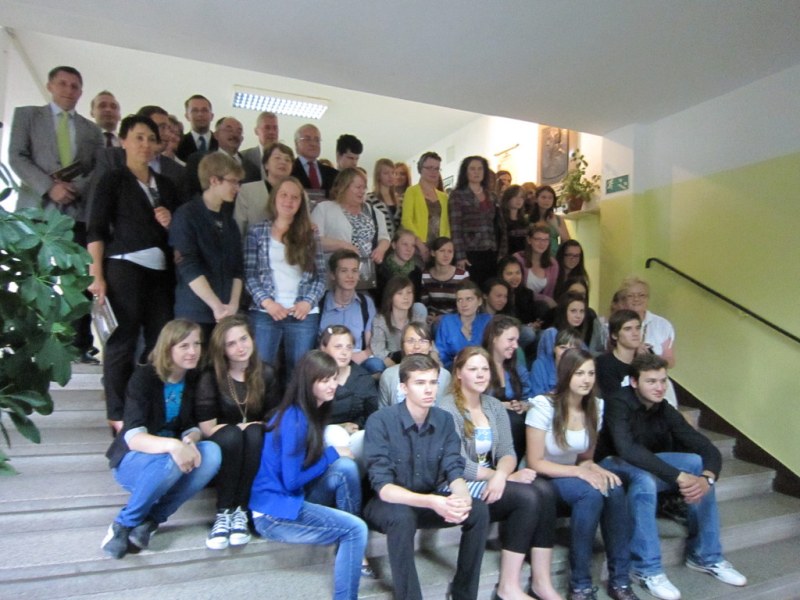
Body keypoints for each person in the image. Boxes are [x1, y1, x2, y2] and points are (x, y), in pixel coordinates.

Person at [597, 353, 746, 600]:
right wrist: (678, 476)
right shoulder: (618, 402)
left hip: (646, 463)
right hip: (610, 465)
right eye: (651, 381)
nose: (659, 387)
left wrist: (707, 478)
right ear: (634, 382)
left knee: (696, 463)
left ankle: (705, 556)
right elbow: (626, 449)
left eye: (663, 381)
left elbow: (705, 447)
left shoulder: (664, 408)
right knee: (644, 481)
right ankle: (646, 569)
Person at [363, 354, 490, 600]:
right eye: (420, 383)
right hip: (388, 503)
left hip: (429, 498)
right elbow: (384, 488)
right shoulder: (381, 421)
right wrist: (432, 501)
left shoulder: (444, 420)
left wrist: (461, 498)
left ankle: (465, 594)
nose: (429, 389)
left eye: (433, 382)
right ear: (403, 388)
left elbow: (453, 467)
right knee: (402, 516)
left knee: (478, 510)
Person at [440, 346, 561, 600]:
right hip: (456, 482)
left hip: (492, 478)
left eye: (485, 369)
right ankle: (508, 587)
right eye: (473, 369)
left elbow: (508, 451)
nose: (481, 374)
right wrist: (498, 476)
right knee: (526, 497)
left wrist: (501, 474)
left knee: (545, 490)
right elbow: (456, 463)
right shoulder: (447, 408)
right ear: (459, 373)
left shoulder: (494, 405)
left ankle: (541, 581)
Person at [250, 350, 368, 600]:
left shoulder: (310, 411)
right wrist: (331, 454)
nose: (332, 385)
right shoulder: (294, 419)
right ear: (308, 382)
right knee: (356, 529)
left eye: (334, 378)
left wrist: (332, 456)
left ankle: (349, 550)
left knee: (346, 469)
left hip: (293, 498)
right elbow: (291, 481)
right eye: (324, 380)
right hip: (274, 513)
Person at [87, 114, 178, 431]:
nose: (145, 144)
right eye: (138, 137)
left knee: (159, 344)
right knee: (121, 342)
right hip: (124, 268)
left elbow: (180, 235)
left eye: (151, 139)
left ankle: (147, 410)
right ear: (123, 141)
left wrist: (171, 222)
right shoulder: (113, 179)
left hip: (161, 274)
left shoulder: (166, 185)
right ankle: (117, 415)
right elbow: (96, 229)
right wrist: (97, 274)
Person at [101, 320, 222, 559]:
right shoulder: (144, 377)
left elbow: (191, 425)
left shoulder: (193, 378)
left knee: (212, 452)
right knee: (171, 459)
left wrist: (190, 440)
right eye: (184, 345)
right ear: (168, 348)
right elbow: (133, 436)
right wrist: (173, 445)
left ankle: (151, 521)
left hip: (171, 463)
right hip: (134, 461)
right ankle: (124, 523)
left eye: (197, 344)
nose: (193, 351)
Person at [9, 65, 104, 364]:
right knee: (32, 276)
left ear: (81, 92)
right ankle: (24, 342)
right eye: (62, 84)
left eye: (75, 86)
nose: (68, 90)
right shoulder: (28, 116)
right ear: (50, 86)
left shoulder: (91, 130)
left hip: (75, 211)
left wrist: (74, 188)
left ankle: (78, 344)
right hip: (36, 211)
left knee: (78, 280)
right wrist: (49, 187)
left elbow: (97, 168)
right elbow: (16, 156)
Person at [526, 349, 639, 600]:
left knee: (614, 487)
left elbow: (585, 458)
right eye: (579, 373)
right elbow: (535, 462)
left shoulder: (595, 406)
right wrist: (579, 471)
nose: (586, 379)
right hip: (543, 477)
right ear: (566, 374)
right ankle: (580, 585)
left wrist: (595, 468)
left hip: (572, 473)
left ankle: (620, 580)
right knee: (590, 495)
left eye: (590, 373)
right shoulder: (543, 406)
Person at [196, 316, 278, 549]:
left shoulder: (266, 373)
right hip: (224, 447)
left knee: (254, 433)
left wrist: (250, 427)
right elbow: (207, 428)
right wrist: (240, 428)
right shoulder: (211, 377)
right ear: (222, 349)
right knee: (234, 435)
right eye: (231, 344)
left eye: (243, 339)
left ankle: (241, 509)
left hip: (253, 446)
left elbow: (273, 417)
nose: (240, 347)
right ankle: (224, 512)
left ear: (252, 339)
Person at [245, 176, 326, 379]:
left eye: (295, 197)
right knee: (261, 373)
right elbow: (250, 274)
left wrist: (307, 303)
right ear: (274, 198)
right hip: (265, 312)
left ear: (301, 203)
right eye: (284, 195)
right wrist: (268, 303)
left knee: (299, 375)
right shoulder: (256, 231)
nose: (288, 201)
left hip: (303, 314)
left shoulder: (309, 233)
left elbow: (320, 276)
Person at [170, 152, 244, 341]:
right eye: (233, 181)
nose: (237, 188)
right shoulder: (186, 215)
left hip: (226, 313)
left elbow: (238, 268)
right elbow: (188, 266)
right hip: (195, 312)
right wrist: (216, 306)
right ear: (214, 180)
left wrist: (233, 305)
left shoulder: (229, 221)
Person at [312, 167, 390, 291]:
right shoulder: (324, 209)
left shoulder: (374, 212)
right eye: (358, 187)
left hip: (365, 277)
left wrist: (381, 249)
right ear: (344, 187)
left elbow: (384, 237)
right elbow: (313, 241)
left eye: (364, 187)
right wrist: (343, 245)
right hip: (333, 279)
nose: (362, 191)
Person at [318, 249, 384, 374]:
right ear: (333, 275)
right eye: (344, 271)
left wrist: (359, 356)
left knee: (376, 364)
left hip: (358, 359)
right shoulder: (320, 303)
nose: (350, 276)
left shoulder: (366, 303)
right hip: (327, 361)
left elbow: (372, 342)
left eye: (354, 271)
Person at [319, 325, 379, 460]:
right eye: (338, 347)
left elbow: (373, 415)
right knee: (335, 433)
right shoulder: (311, 376)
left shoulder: (363, 379)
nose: (344, 352)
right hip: (320, 439)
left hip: (355, 438)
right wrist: (340, 426)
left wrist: (358, 425)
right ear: (323, 348)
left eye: (349, 347)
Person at [482, 315, 532, 462]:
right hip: (486, 423)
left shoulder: (517, 367)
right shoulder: (478, 365)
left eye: (517, 341)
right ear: (494, 338)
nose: (515, 346)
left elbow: (531, 398)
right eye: (510, 340)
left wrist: (523, 405)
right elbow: (468, 400)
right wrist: (500, 406)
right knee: (512, 421)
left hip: (514, 425)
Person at [448, 155, 503, 287]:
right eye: (472, 169)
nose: (476, 172)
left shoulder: (492, 196)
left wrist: (500, 252)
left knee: (490, 288)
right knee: (473, 288)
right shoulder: (457, 195)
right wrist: (460, 256)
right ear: (465, 172)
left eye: (480, 169)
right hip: (470, 251)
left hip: (491, 250)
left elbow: (498, 225)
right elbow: (455, 227)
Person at [378, 321, 451, 407]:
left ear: (430, 345)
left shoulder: (444, 375)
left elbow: (446, 410)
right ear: (402, 346)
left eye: (423, 341)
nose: (417, 346)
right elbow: (382, 411)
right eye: (410, 341)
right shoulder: (389, 375)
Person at [234, 141, 295, 237]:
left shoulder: (299, 193)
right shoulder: (248, 190)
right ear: (266, 164)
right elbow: (238, 228)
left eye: (287, 160)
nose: (283, 162)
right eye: (277, 158)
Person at [401, 151, 450, 262]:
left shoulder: (444, 197)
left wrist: (445, 246)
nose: (433, 172)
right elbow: (406, 220)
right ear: (420, 169)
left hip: (439, 249)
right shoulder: (411, 191)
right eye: (429, 168)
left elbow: (446, 224)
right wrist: (420, 245)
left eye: (437, 168)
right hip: (418, 247)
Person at [435, 279, 492, 370]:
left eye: (469, 299)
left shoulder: (488, 321)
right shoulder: (447, 322)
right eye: (459, 300)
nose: (464, 304)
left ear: (479, 301)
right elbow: (441, 354)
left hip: (484, 370)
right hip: (453, 371)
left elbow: (494, 351)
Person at [371, 275, 428, 367]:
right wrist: (396, 368)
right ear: (390, 297)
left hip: (417, 360)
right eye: (400, 293)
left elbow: (429, 344)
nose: (406, 297)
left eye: (409, 292)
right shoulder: (380, 320)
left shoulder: (417, 317)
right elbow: (378, 349)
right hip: (391, 362)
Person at [498, 255, 548, 351]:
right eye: (509, 273)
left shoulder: (526, 293)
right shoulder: (498, 294)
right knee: (528, 333)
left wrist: (535, 324)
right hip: (506, 333)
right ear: (501, 275)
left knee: (543, 334)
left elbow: (530, 318)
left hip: (527, 332)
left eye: (518, 273)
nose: (515, 277)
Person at [420, 236, 470, 319]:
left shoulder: (462, 275)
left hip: (456, 319)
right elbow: (425, 304)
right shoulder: (425, 275)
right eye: (442, 251)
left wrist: (445, 319)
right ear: (433, 253)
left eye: (450, 251)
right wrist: (432, 318)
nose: (446, 255)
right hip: (433, 319)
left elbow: (465, 305)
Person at [596, 309, 643, 398]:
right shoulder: (604, 364)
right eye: (628, 329)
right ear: (614, 335)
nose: (635, 333)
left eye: (638, 328)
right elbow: (613, 398)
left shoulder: (645, 362)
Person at [513, 224, 560, 307]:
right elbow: (517, 290)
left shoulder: (553, 264)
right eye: (538, 239)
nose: (542, 243)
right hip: (519, 304)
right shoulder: (518, 259)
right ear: (529, 240)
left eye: (546, 240)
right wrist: (543, 298)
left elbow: (550, 294)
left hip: (542, 308)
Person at [529, 329, 583, 397]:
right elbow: (536, 398)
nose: (566, 353)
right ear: (554, 348)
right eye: (563, 347)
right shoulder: (540, 366)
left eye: (572, 349)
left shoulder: (582, 368)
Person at [291, 123, 339, 198]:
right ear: (296, 144)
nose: (313, 143)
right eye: (307, 139)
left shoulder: (332, 174)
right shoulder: (289, 170)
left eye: (317, 140)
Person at [376, 228, 423, 301]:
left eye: (413, 245)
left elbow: (416, 299)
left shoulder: (416, 272)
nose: (409, 249)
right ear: (394, 245)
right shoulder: (380, 270)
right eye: (405, 244)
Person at [530, 185, 570, 256]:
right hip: (533, 257)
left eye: (550, 198)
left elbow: (567, 241)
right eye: (543, 197)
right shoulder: (528, 218)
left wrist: (556, 226)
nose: (547, 200)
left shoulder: (558, 218)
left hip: (554, 256)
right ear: (536, 199)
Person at [366, 158, 401, 239]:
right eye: (386, 173)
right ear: (378, 175)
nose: (390, 176)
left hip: (398, 243)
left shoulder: (399, 200)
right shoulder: (370, 199)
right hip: (380, 241)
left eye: (393, 173)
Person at [176, 94, 217, 161]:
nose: (200, 114)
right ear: (187, 116)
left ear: (212, 116)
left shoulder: (220, 142)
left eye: (204, 110)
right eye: (194, 110)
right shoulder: (179, 143)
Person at [240, 111, 279, 177]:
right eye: (267, 128)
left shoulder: (286, 158)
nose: (272, 132)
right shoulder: (243, 157)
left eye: (275, 128)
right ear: (256, 131)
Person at [500, 185, 530, 256]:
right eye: (515, 196)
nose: (519, 200)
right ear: (508, 198)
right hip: (506, 258)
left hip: (522, 258)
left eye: (521, 197)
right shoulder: (501, 220)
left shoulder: (524, 221)